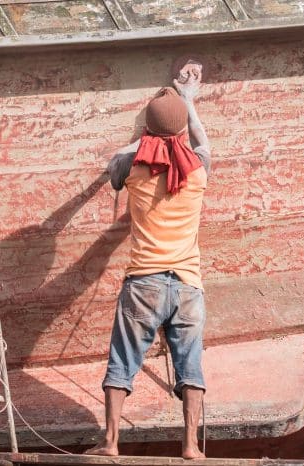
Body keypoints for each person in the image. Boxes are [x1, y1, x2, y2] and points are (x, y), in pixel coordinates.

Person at [87, 67, 210, 460]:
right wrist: (186, 100)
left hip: (143, 283)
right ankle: (191, 446)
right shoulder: (199, 172)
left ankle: (110, 443)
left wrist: (150, 128)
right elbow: (200, 141)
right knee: (190, 367)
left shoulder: (132, 171)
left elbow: (118, 162)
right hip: (188, 285)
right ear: (179, 134)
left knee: (122, 362)